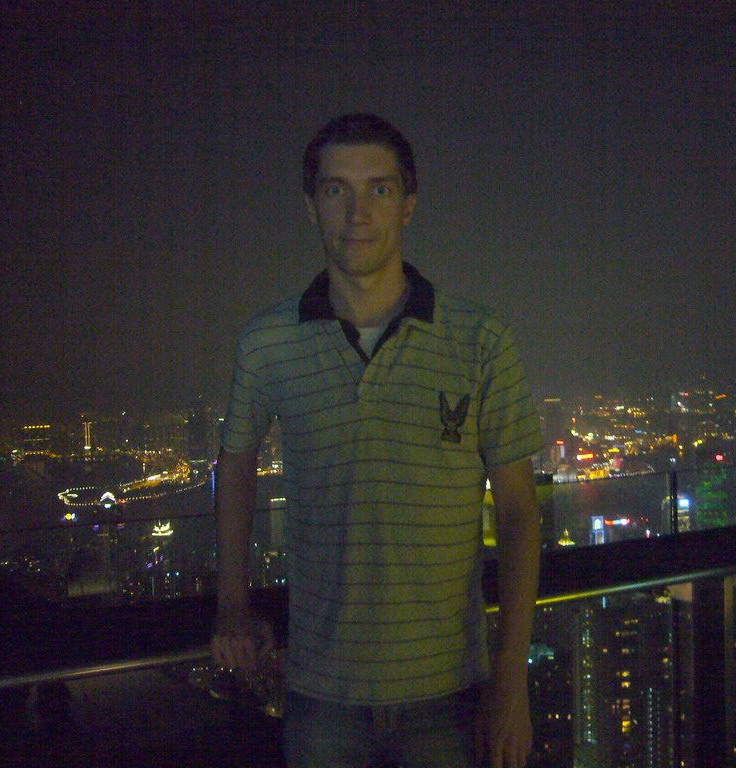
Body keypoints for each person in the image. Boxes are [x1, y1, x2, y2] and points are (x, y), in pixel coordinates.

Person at [212, 113, 544, 768]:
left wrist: (511, 684)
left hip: (451, 689)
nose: (357, 212)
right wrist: (231, 604)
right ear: (312, 207)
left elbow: (519, 514)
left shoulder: (478, 337)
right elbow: (236, 463)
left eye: (379, 189)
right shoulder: (268, 342)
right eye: (337, 190)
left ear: (409, 204)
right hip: (319, 689)